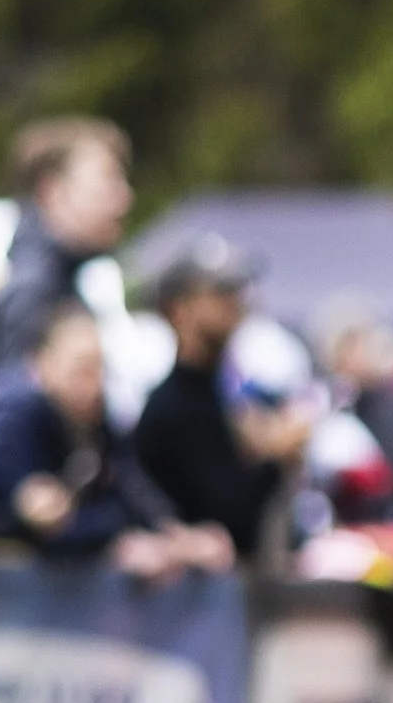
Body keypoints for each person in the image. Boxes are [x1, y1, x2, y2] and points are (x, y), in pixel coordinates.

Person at [0, 299, 231, 575]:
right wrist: (112, 540)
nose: (95, 384)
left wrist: (175, 535)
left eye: (101, 368)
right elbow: (28, 518)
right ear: (41, 364)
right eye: (83, 369)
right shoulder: (13, 423)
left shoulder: (99, 428)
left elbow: (132, 489)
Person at [132, 238, 309, 559]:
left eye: (239, 290)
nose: (237, 302)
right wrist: (275, 458)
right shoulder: (171, 409)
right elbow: (229, 521)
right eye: (221, 291)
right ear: (180, 308)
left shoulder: (222, 396)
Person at [0, 116, 134, 417]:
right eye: (108, 180)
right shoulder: (35, 292)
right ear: (52, 191)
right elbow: (9, 427)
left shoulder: (58, 280)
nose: (124, 198)